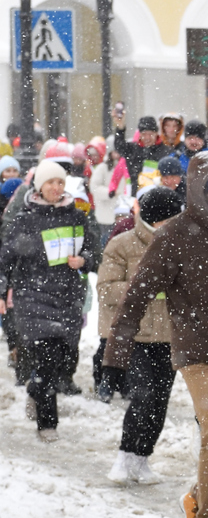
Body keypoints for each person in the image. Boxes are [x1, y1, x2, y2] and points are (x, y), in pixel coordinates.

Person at [105, 151, 208, 518]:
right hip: (195, 349)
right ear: (198, 191)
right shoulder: (173, 234)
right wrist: (116, 351)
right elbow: (137, 294)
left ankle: (196, 495)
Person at [0, 159, 97, 441]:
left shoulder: (76, 216)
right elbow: (6, 259)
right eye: (51, 182)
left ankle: (35, 391)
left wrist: (85, 260)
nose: (56, 187)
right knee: (45, 357)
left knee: (59, 358)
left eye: (60, 182)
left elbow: (95, 252)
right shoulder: (25, 219)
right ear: (39, 186)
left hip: (67, 296)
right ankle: (47, 423)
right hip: (33, 295)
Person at [99, 187, 183, 483]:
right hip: (134, 336)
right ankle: (124, 455)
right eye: (169, 219)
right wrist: (145, 287)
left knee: (160, 401)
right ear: (154, 220)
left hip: (170, 336)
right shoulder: (122, 244)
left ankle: (143, 459)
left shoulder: (181, 245)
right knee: (142, 396)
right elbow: (106, 289)